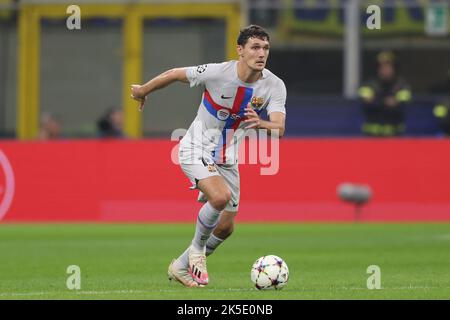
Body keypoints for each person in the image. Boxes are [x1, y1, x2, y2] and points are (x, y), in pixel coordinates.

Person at [130, 25, 286, 287]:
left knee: (226, 227)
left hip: (227, 158)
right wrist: (144, 90)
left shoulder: (274, 85)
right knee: (220, 197)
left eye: (265, 48)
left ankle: (180, 266)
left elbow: (279, 129)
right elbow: (175, 73)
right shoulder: (217, 73)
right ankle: (196, 251)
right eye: (255, 47)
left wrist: (261, 124)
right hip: (194, 147)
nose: (261, 53)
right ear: (240, 50)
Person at [358, 51, 412, 136]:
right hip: (371, 136)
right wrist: (386, 102)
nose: (385, 70)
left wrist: (376, 100)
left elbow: (402, 105)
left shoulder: (402, 85)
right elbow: (367, 104)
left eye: (388, 66)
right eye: (382, 67)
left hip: (395, 136)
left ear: (394, 68)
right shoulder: (368, 85)